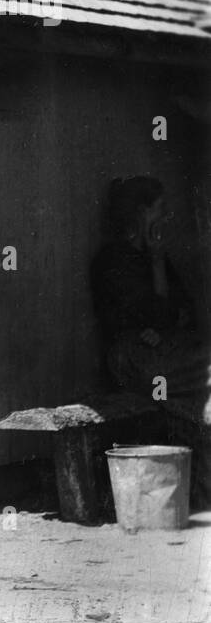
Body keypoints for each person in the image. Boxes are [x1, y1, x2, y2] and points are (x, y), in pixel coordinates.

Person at [91, 175, 211, 505]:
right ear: (141, 214)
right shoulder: (113, 260)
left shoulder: (156, 256)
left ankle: (200, 493)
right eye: (159, 209)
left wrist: (163, 321)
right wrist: (160, 318)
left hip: (163, 349)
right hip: (132, 358)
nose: (165, 217)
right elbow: (156, 315)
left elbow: (183, 311)